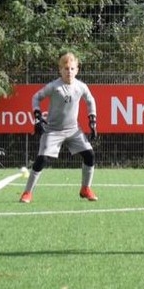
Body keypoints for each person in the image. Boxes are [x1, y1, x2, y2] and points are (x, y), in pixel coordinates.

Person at [20, 52, 98, 203]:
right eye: (66, 69)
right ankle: (27, 192)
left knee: (90, 155)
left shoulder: (81, 87)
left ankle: (85, 189)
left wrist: (92, 121)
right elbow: (36, 97)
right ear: (60, 70)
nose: (69, 72)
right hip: (53, 130)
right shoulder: (54, 86)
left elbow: (90, 100)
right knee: (42, 159)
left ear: (77, 70)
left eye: (72, 68)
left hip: (73, 130)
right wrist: (37, 117)